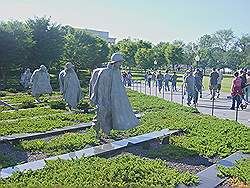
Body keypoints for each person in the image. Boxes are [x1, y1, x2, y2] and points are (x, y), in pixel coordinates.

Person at [89, 53, 139, 139]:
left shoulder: (117, 72)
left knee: (109, 117)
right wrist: (98, 99)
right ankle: (96, 132)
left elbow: (118, 87)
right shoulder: (105, 72)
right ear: (114, 62)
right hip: (103, 99)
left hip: (112, 100)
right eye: (119, 62)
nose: (120, 64)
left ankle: (106, 133)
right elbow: (99, 87)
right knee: (100, 116)